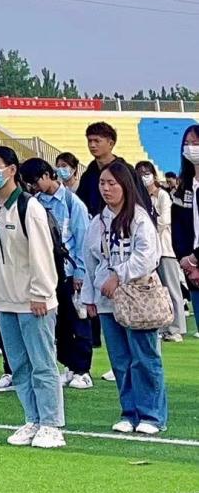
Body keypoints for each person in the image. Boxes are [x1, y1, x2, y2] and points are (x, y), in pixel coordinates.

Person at [0, 147, 65, 448]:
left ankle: (51, 424)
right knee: (19, 365)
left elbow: (41, 254)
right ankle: (33, 419)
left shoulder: (29, 207)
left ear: (12, 169)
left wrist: (41, 293)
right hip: (5, 300)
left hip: (33, 301)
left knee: (42, 363)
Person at [82, 160, 167, 435]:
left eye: (112, 183)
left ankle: (152, 415)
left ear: (125, 186)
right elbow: (89, 262)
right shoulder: (98, 222)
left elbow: (147, 257)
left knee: (144, 357)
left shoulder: (139, 218)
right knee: (120, 360)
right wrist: (89, 297)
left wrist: (118, 275)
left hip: (138, 298)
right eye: (102, 183)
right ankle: (129, 412)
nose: (106, 189)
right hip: (108, 301)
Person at [20, 158, 93, 390]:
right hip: (49, 272)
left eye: (35, 181)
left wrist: (81, 272)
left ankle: (83, 370)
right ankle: (69, 366)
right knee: (59, 324)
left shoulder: (72, 203)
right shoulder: (35, 202)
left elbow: (83, 240)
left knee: (78, 322)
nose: (33, 187)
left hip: (71, 272)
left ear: (46, 175)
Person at [137, 160, 187, 343]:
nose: (144, 176)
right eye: (140, 173)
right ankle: (162, 326)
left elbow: (165, 220)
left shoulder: (162, 195)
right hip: (148, 252)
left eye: (146, 172)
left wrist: (146, 230)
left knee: (172, 289)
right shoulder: (139, 197)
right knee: (154, 291)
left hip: (165, 249)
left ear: (153, 174)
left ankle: (177, 328)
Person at [76, 122, 152, 217]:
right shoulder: (88, 174)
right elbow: (80, 205)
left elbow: (142, 203)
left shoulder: (127, 172)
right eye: (89, 141)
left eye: (97, 141)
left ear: (111, 143)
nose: (92, 145)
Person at [174, 125, 199, 337]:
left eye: (196, 143)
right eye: (187, 144)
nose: (191, 148)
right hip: (192, 270)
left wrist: (195, 259)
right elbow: (178, 228)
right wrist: (187, 262)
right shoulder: (184, 188)